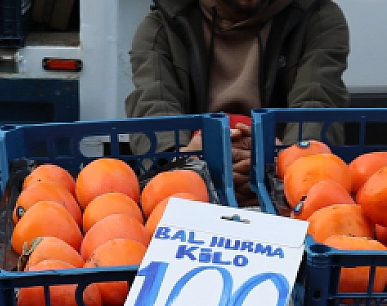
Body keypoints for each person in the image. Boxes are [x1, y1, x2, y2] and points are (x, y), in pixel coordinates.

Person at [126, 0, 350, 198]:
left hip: (286, 182)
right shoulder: (161, 27)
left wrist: (282, 160)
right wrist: (184, 158)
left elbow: (317, 100)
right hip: (191, 184)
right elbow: (154, 105)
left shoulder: (317, 18)